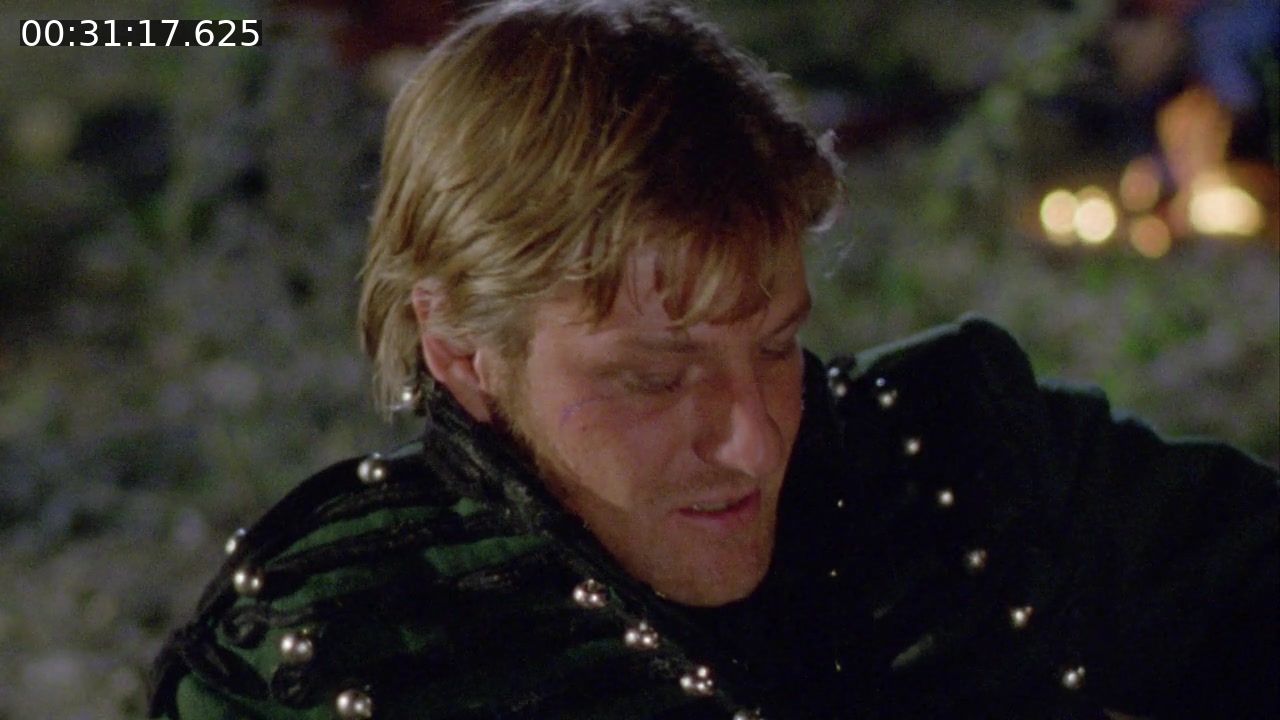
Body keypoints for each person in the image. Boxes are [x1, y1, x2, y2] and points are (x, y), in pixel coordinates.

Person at [147, 1, 1279, 718]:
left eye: (775, 345)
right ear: (462, 352)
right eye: (651, 376)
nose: (753, 439)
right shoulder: (323, 659)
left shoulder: (961, 468)